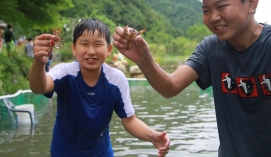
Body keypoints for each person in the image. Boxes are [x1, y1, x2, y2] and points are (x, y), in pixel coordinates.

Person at [112, 0, 271, 157]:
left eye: (221, 7)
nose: (213, 17)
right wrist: (144, 59)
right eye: (206, 10)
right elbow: (170, 87)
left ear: (251, 3)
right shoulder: (212, 48)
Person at [29, 18, 170, 157]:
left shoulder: (116, 79)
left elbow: (129, 120)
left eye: (98, 44)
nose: (91, 51)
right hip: (63, 152)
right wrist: (38, 63)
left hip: (101, 153)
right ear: (74, 49)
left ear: (109, 50)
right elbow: (39, 88)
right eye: (84, 44)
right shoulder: (64, 72)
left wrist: (152, 136)